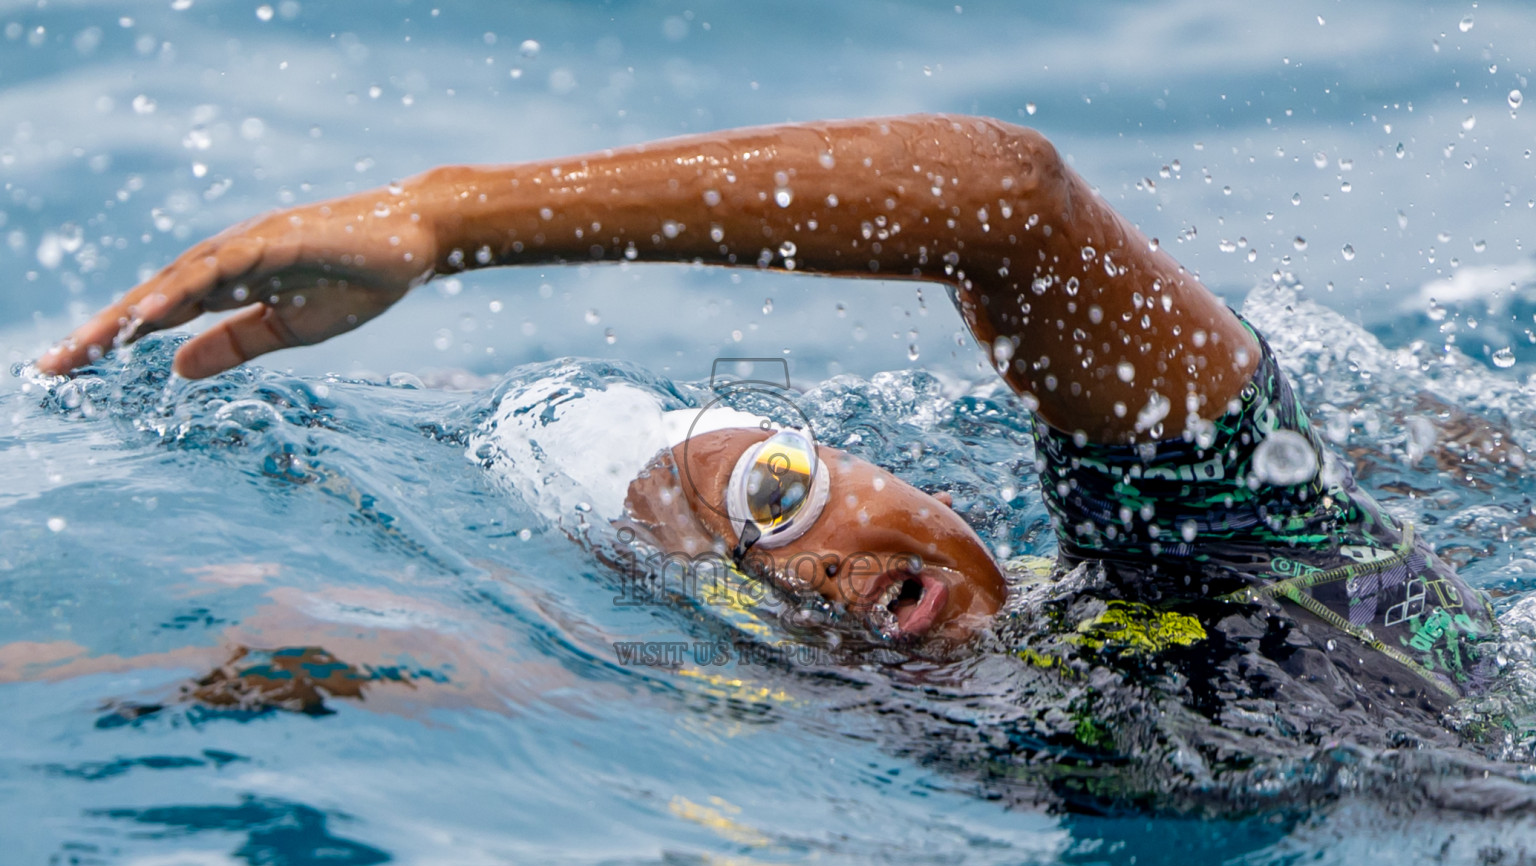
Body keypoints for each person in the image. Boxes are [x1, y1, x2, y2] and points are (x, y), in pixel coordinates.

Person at [36, 114, 1496, 709]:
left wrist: (445, 222)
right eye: (734, 575)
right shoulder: (818, 729)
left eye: (779, 495)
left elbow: (1012, 203)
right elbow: (333, 663)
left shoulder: (1231, 554)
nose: (807, 568)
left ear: (875, 462)